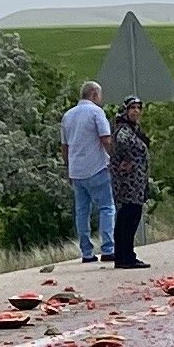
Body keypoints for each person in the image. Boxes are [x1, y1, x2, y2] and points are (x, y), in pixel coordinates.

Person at [60, 81, 115, 262]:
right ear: (94, 94)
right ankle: (108, 248)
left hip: (76, 171)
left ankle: (86, 252)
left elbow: (65, 146)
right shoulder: (96, 112)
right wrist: (115, 158)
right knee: (106, 207)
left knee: (82, 211)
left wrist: (68, 167)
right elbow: (105, 139)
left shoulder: (68, 116)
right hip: (97, 167)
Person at [106, 96, 153, 268]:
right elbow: (121, 144)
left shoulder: (134, 129)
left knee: (130, 218)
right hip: (128, 184)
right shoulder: (123, 130)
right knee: (127, 218)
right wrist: (127, 160)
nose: (136, 111)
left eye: (138, 108)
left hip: (137, 183)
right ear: (126, 110)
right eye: (132, 108)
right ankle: (125, 256)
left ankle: (126, 255)